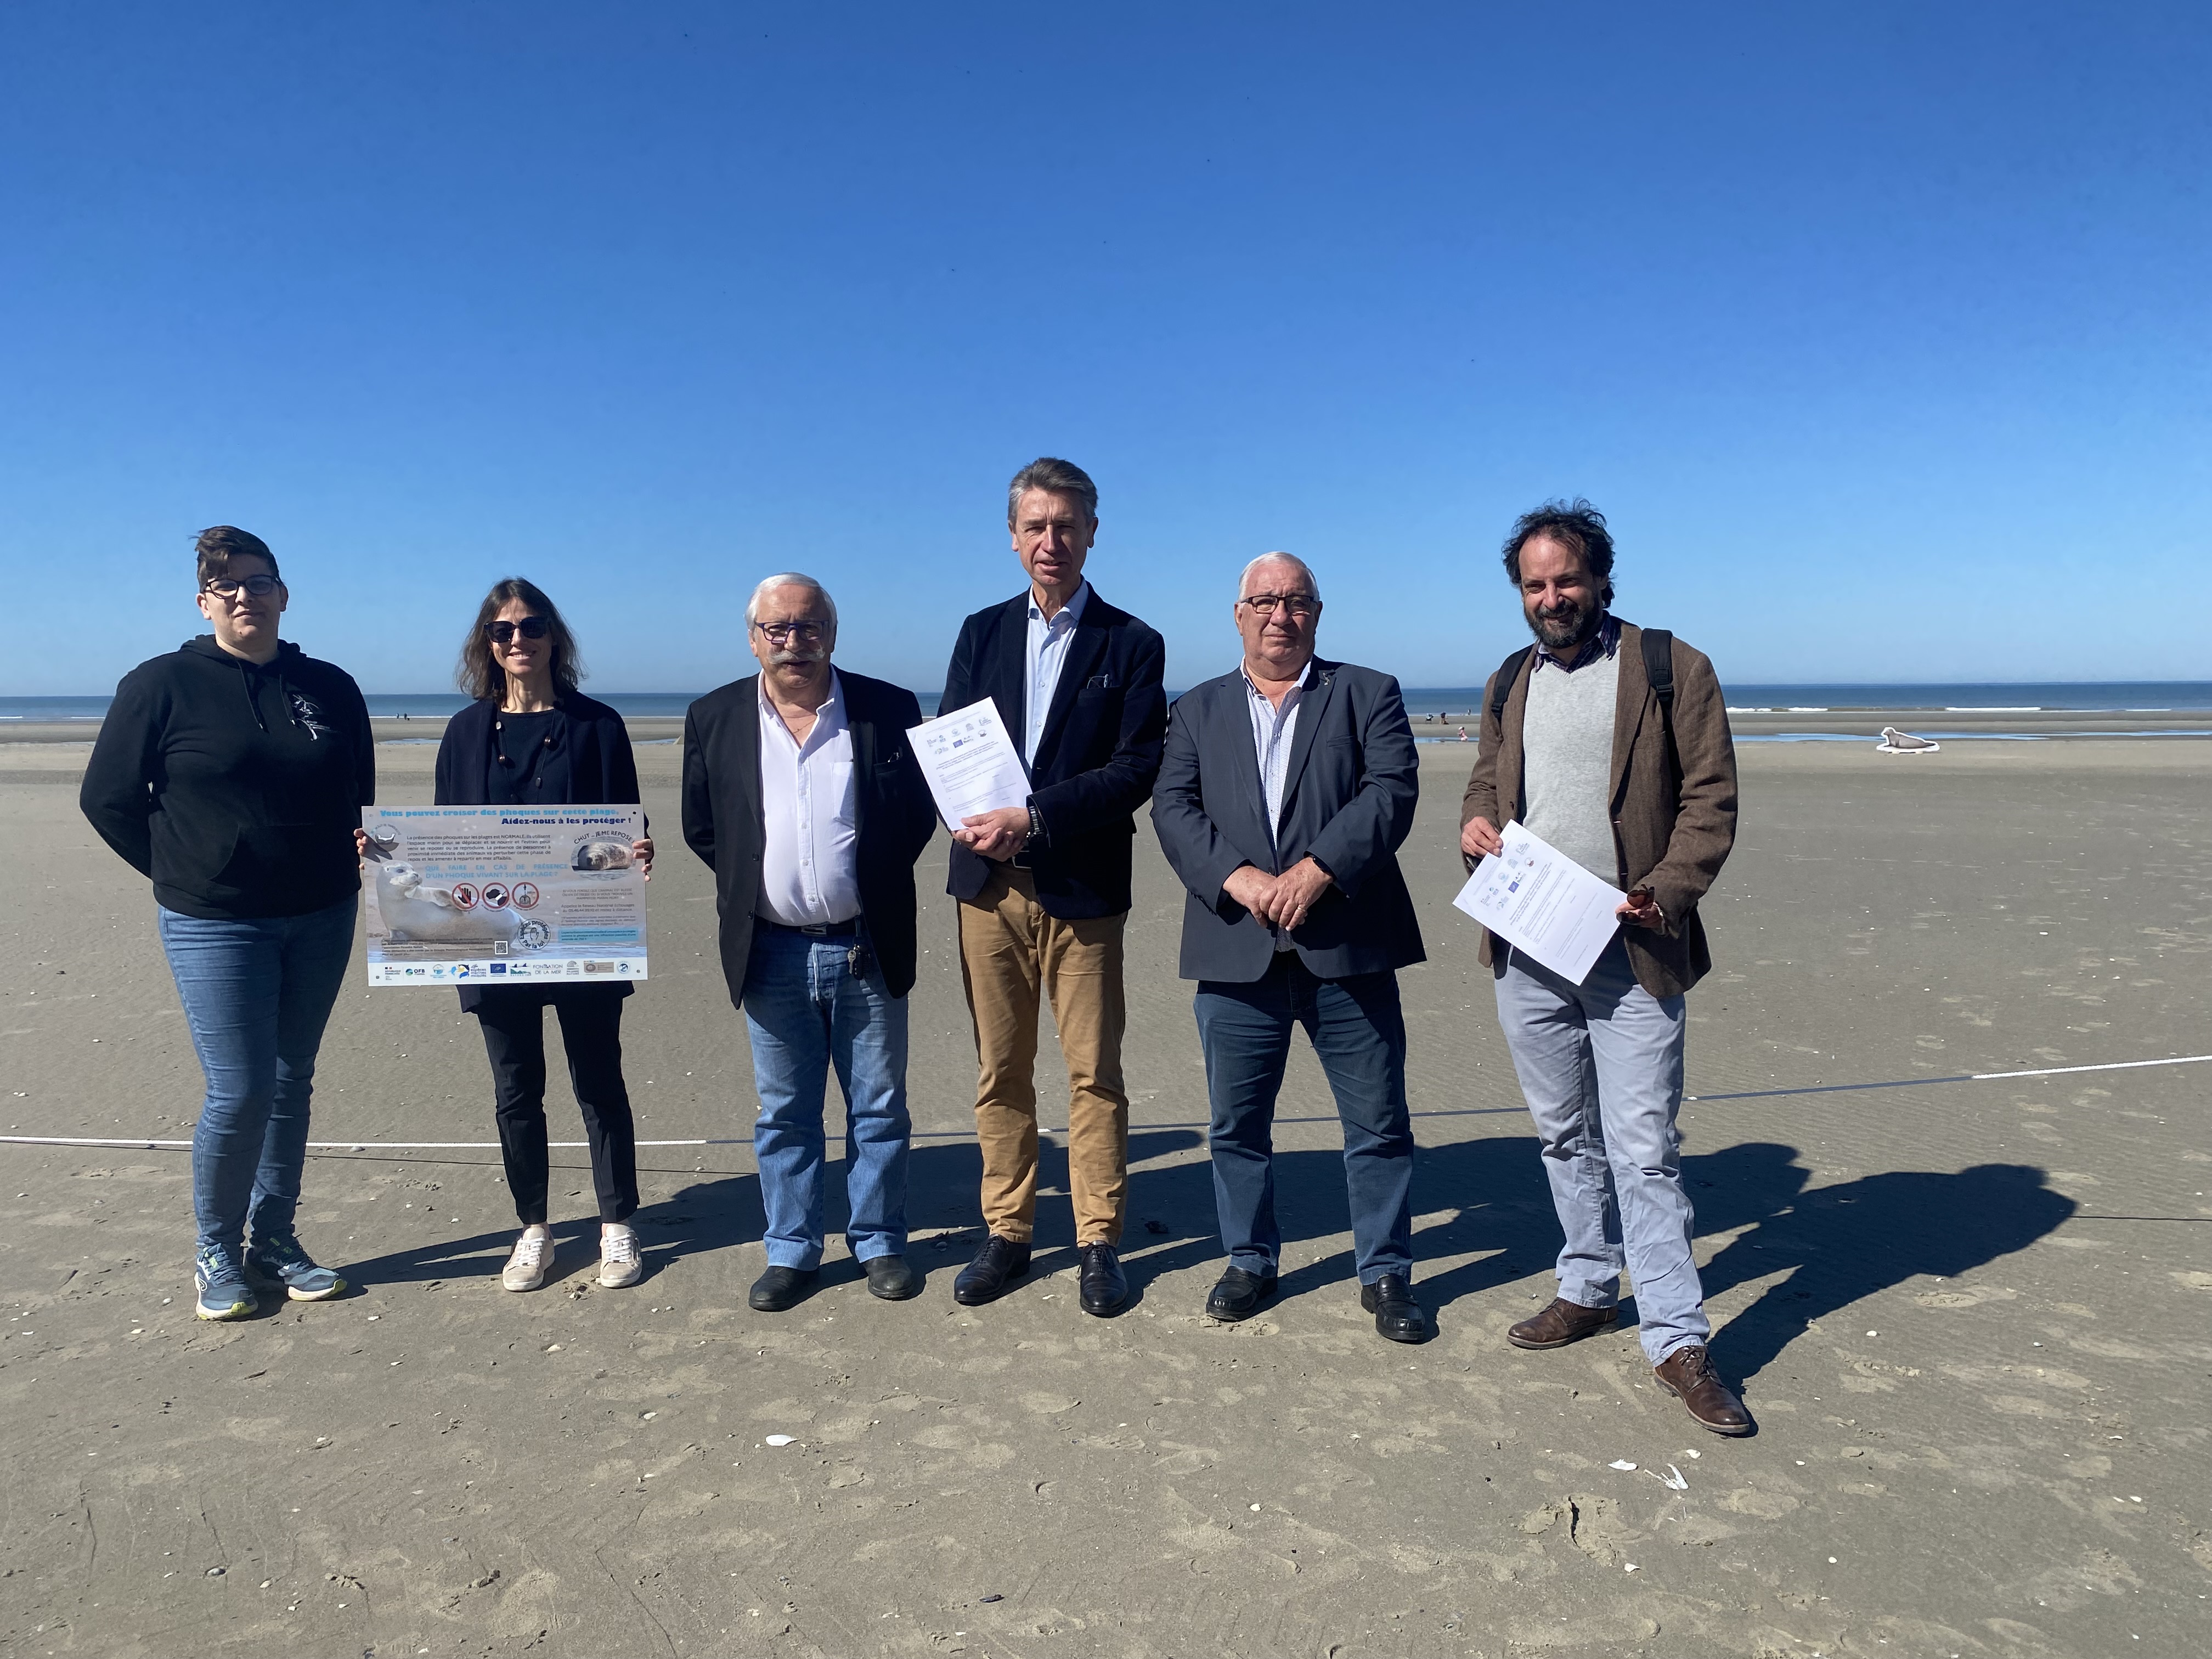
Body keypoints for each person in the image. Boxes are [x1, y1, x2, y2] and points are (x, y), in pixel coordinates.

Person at [1459, 499, 1749, 1435]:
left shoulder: (1671, 668)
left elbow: (1712, 802)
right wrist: (1475, 831)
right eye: (1535, 585)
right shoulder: (1509, 681)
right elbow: (1488, 785)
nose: (1553, 597)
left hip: (1633, 947)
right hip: (1528, 945)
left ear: (1600, 578)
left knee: (1644, 1149)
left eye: (1567, 579)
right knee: (1559, 1133)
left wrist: (1661, 891)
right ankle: (1587, 1285)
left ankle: (1675, 1339)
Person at [81, 527, 372, 1320]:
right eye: (227, 583)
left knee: (290, 1079)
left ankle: (273, 1237)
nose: (245, 594)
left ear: (284, 594)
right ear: (205, 600)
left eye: (260, 580)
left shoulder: (330, 686)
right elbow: (107, 799)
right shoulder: (161, 684)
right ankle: (215, 1247)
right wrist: (185, 873)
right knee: (239, 1089)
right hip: (216, 923)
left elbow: (360, 797)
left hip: (320, 915)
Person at [1150, 552, 1431, 1343]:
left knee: (1377, 1124)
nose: (1282, 614)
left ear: (1318, 612)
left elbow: (1391, 792)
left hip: (1347, 945)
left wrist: (1317, 871)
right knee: (1237, 1126)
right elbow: (1171, 807)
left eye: (1297, 601)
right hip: (1234, 950)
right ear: (1238, 614)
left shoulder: (1369, 694)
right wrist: (1238, 879)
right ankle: (1250, 1259)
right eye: (1265, 601)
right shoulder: (1195, 709)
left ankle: (1385, 1273)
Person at [938, 459, 1168, 1316]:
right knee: (1001, 1071)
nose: (1051, 542)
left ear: (1092, 533)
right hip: (987, 890)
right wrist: (967, 818)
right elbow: (952, 748)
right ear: (1013, 536)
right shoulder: (980, 633)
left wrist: (1032, 818)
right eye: (1035, 526)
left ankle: (1097, 1239)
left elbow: (1136, 768)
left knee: (1093, 1074)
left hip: (1084, 890)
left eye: (1066, 526)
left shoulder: (1132, 642)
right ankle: (1008, 1232)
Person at [682, 574, 937, 1311]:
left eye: (809, 626)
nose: (795, 642)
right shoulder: (714, 716)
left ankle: (880, 1240)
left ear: (832, 629)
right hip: (769, 948)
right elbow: (706, 829)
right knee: (785, 1113)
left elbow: (915, 814)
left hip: (867, 943)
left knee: (879, 1107)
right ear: (754, 637)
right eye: (777, 630)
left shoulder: (889, 708)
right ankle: (792, 1249)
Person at [430, 578, 653, 1293]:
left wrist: (638, 852)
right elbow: (441, 839)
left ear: (555, 636)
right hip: (492, 942)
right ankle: (534, 1228)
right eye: (503, 630)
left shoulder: (599, 726)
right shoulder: (466, 732)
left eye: (531, 626)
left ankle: (617, 1224)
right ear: (486, 644)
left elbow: (625, 826)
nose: (518, 639)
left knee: (600, 1081)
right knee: (516, 1088)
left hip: (582, 937)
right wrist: (389, 856)